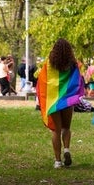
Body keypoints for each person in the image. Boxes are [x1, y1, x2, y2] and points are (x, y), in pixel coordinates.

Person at [36, 38, 84, 169]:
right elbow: (77, 81)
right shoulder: (73, 65)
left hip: (54, 102)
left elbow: (42, 82)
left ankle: (57, 161)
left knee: (56, 130)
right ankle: (66, 149)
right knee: (66, 128)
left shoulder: (49, 65)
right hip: (67, 100)